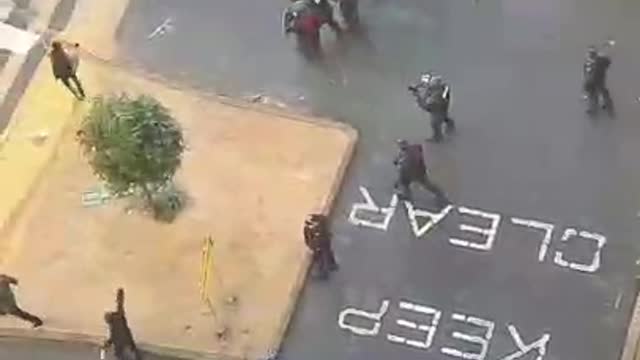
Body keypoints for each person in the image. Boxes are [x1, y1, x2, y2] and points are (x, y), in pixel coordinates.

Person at [393, 140, 449, 207]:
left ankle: (441, 195)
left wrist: (401, 164)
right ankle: (407, 195)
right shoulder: (412, 149)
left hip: (416, 172)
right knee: (405, 182)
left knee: (427, 184)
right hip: (413, 171)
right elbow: (399, 159)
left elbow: (407, 163)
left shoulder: (409, 155)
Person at [409, 74, 455, 142]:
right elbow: (428, 87)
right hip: (444, 105)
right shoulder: (442, 87)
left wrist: (418, 96)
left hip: (437, 108)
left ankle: (438, 137)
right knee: (443, 115)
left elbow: (426, 107)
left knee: (434, 123)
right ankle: (450, 123)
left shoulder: (436, 98)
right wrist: (418, 86)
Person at [102, 288, 142, 360]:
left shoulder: (118, 319)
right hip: (123, 350)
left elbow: (120, 307)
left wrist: (119, 296)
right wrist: (106, 345)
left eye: (107, 318)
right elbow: (111, 338)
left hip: (126, 348)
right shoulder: (112, 326)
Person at [304, 214, 338, 279]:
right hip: (325, 241)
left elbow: (310, 239)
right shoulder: (321, 222)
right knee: (328, 252)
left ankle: (323, 273)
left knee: (322, 258)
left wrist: (315, 247)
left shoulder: (314, 228)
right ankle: (332, 265)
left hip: (321, 243)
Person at [583, 46, 613, 115]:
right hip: (595, 79)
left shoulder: (600, 59)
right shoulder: (592, 60)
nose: (591, 54)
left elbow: (608, 62)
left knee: (599, 91)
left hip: (598, 78)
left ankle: (601, 104)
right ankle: (594, 107)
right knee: (595, 92)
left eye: (592, 53)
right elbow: (586, 70)